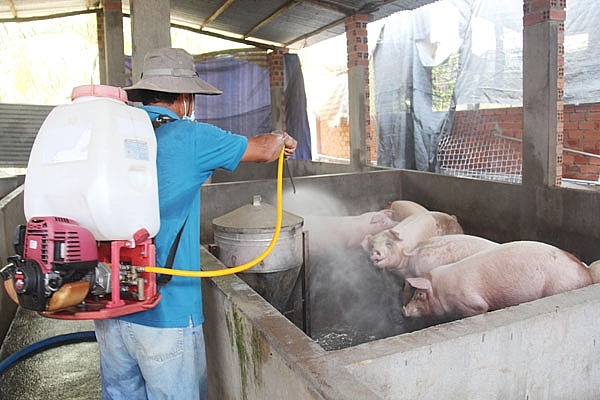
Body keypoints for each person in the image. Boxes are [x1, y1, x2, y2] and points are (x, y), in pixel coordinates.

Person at [94, 47, 297, 400]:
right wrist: (282, 138)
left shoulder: (116, 135)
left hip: (110, 309)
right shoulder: (190, 137)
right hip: (166, 314)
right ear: (186, 97)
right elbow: (264, 150)